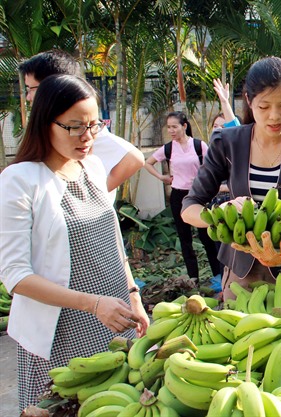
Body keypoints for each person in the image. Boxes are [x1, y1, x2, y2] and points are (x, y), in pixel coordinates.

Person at [0, 75, 149, 411]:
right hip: (61, 334)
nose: (88, 137)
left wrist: (134, 295)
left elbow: (111, 242)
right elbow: (15, 276)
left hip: (114, 321)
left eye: (94, 125)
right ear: (45, 123)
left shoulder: (93, 167)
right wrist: (93, 304)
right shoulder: (20, 180)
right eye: (74, 127)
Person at [181, 57, 281, 299]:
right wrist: (221, 215)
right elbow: (189, 208)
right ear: (249, 100)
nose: (274, 116)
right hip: (240, 273)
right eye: (264, 107)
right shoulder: (226, 143)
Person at [19, 50, 144, 203]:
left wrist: (95, 198)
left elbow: (134, 158)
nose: (87, 137)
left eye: (31, 89)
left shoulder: (89, 149)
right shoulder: (19, 177)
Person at [144, 112, 222, 279]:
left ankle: (217, 276)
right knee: (185, 238)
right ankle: (194, 278)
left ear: (184, 126)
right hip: (178, 196)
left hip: (199, 195)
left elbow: (212, 167)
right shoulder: (168, 148)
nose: (171, 130)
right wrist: (162, 177)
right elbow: (148, 163)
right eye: (169, 127)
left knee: (207, 236)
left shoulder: (199, 145)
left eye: (174, 126)